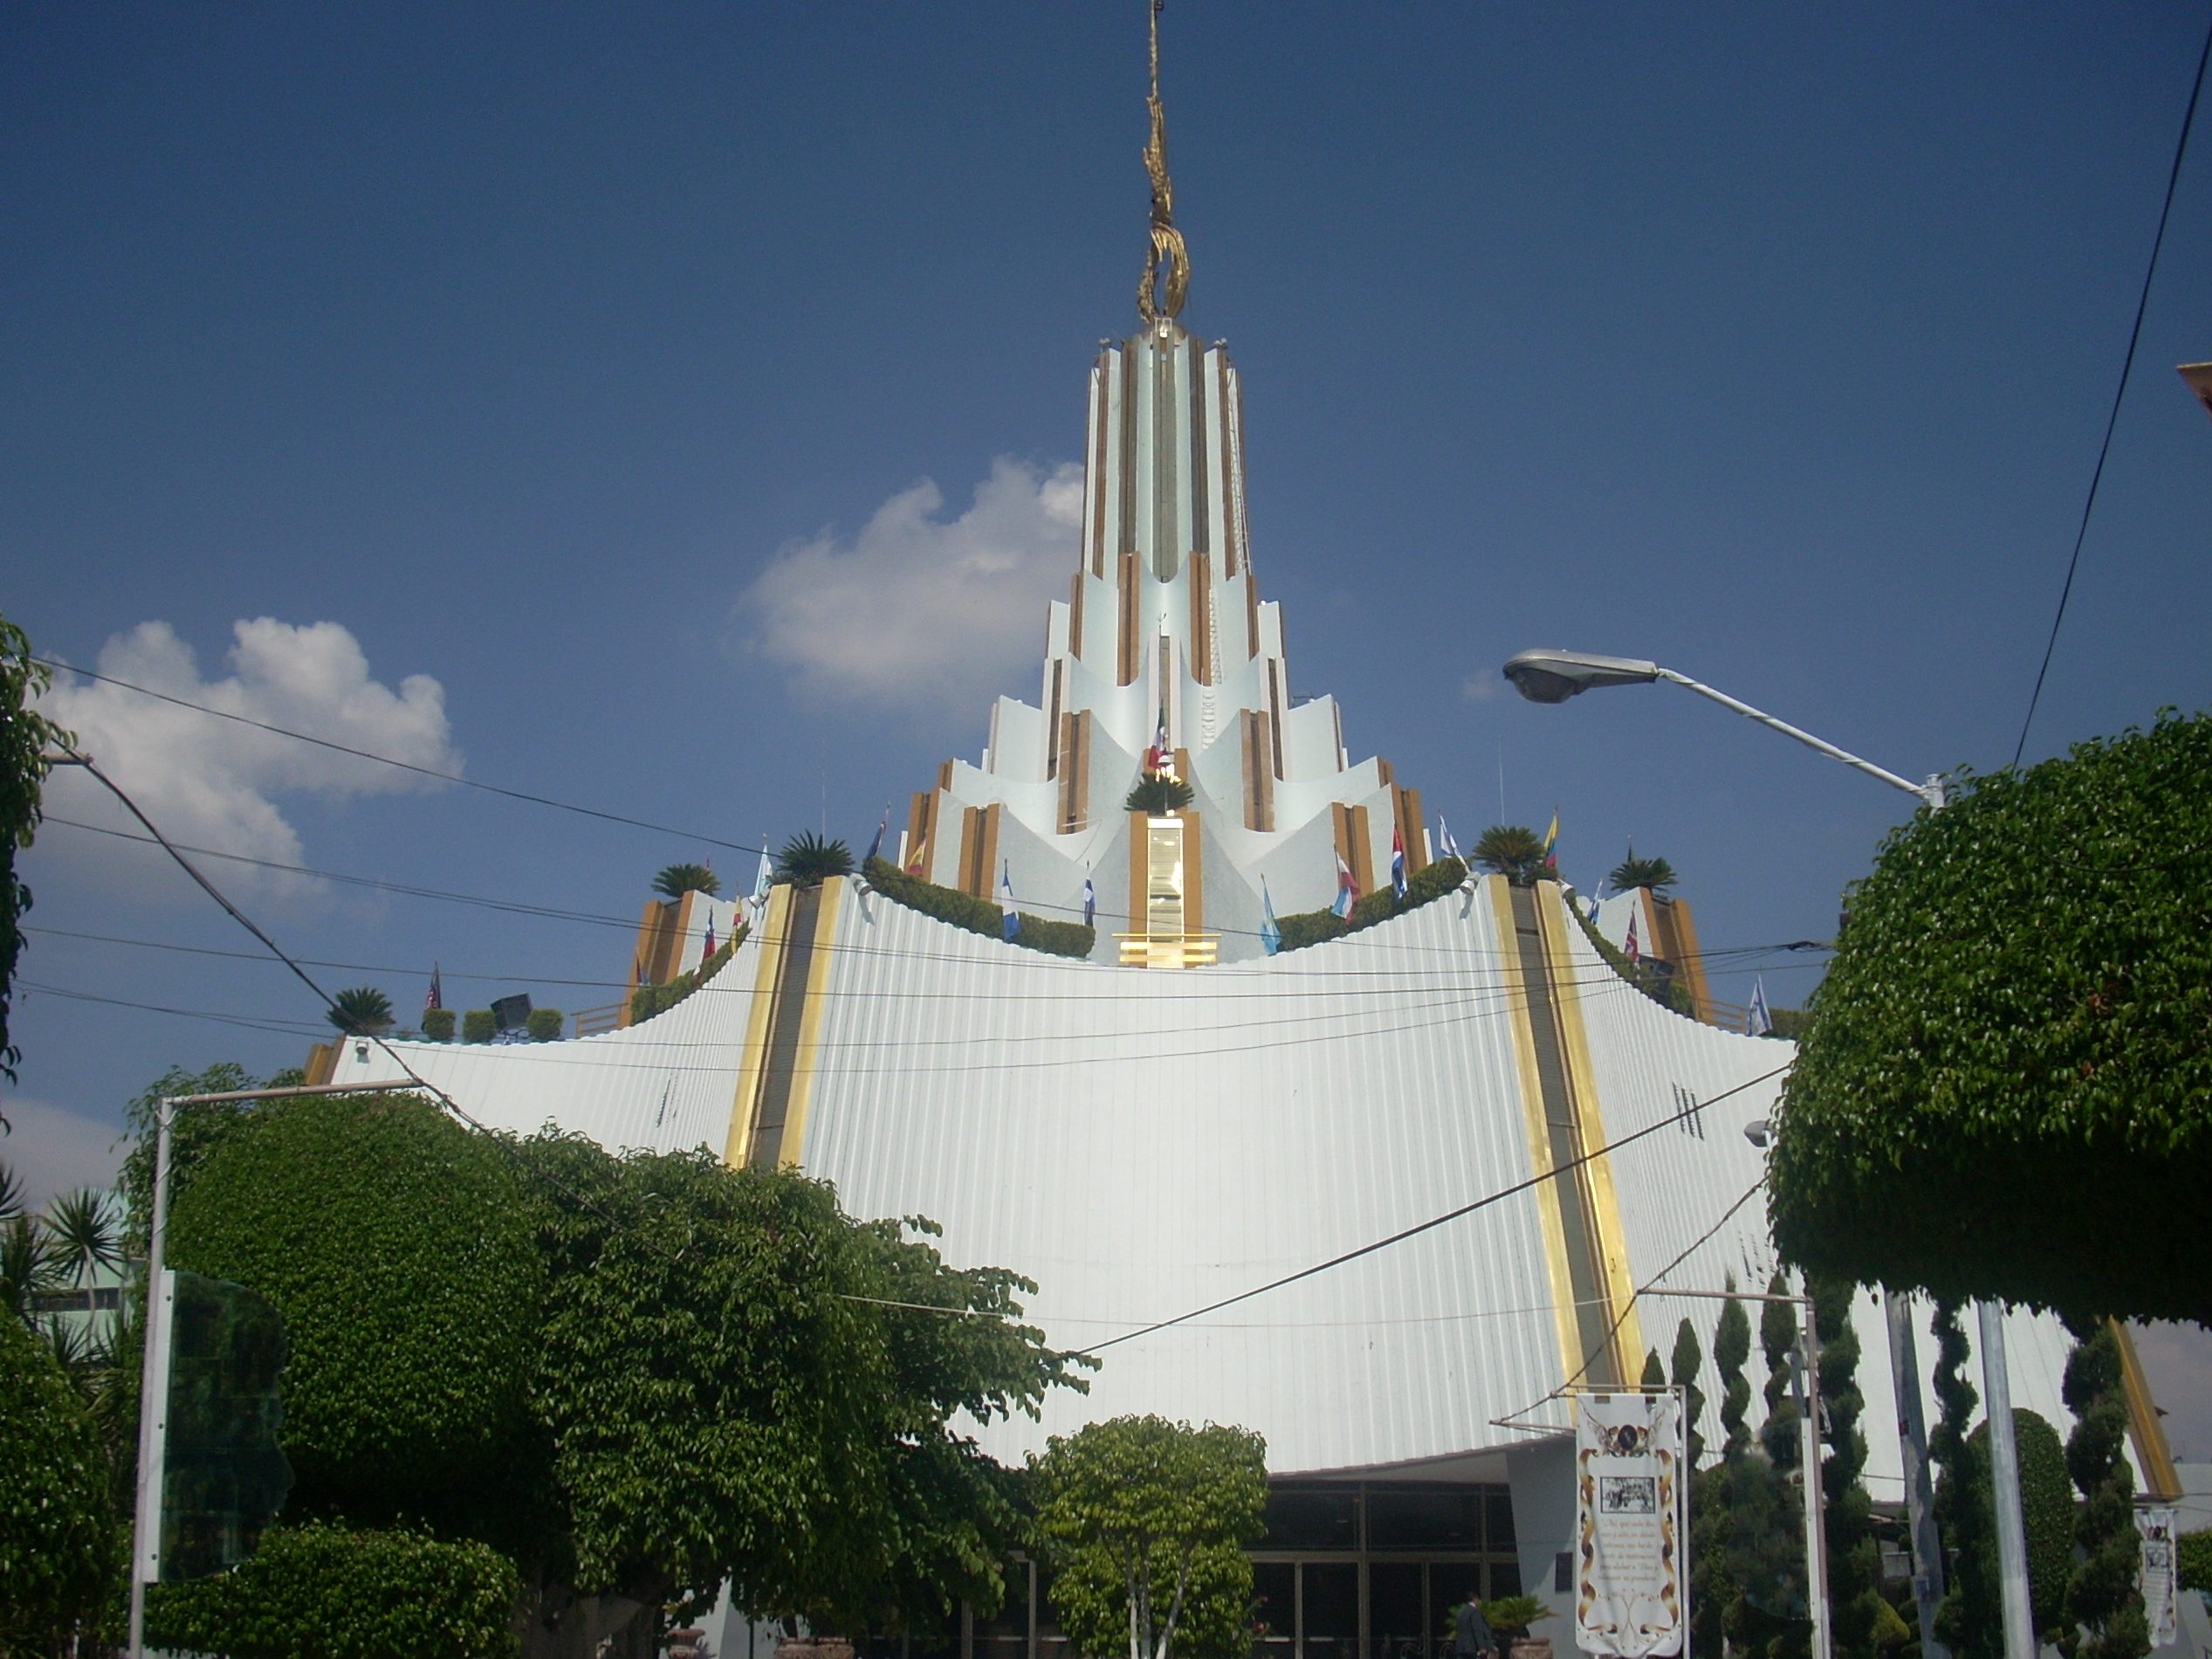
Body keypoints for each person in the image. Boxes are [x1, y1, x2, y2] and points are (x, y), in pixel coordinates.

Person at [1453, 1590, 1496, 1659]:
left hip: (1461, 1647)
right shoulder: (1474, 1612)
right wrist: (1482, 1647)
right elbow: (1477, 1630)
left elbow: (1457, 1628)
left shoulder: (1460, 1612)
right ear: (1475, 1599)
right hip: (1472, 1648)